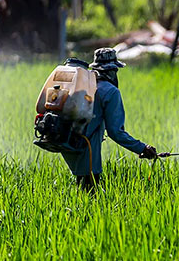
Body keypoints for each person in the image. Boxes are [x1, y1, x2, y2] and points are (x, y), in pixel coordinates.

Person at [61, 48, 157, 190]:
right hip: (86, 145)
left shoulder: (86, 85)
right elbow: (115, 132)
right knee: (90, 191)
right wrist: (142, 148)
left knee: (82, 188)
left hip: (66, 140)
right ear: (112, 70)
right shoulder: (110, 91)